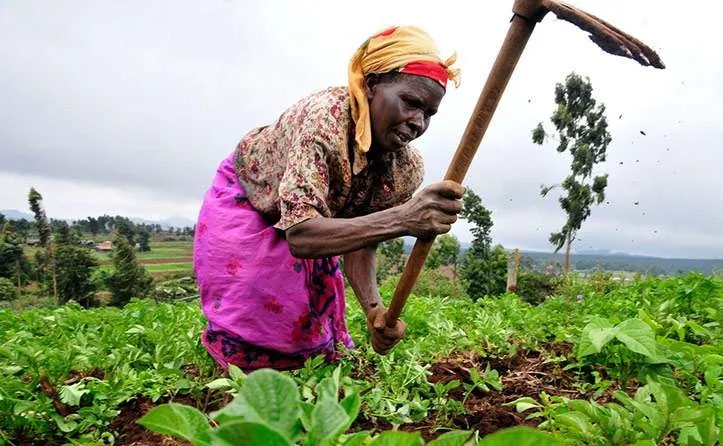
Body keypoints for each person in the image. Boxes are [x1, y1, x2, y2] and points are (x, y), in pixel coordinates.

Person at [193, 25, 464, 371]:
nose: (418, 123)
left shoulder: (405, 168)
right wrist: (403, 219)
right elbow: (302, 235)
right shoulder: (324, 123)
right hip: (252, 196)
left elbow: (363, 238)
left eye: (429, 113)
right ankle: (237, 381)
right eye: (410, 103)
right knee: (257, 303)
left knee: (308, 335)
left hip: (315, 215)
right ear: (370, 85)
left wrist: (374, 310)